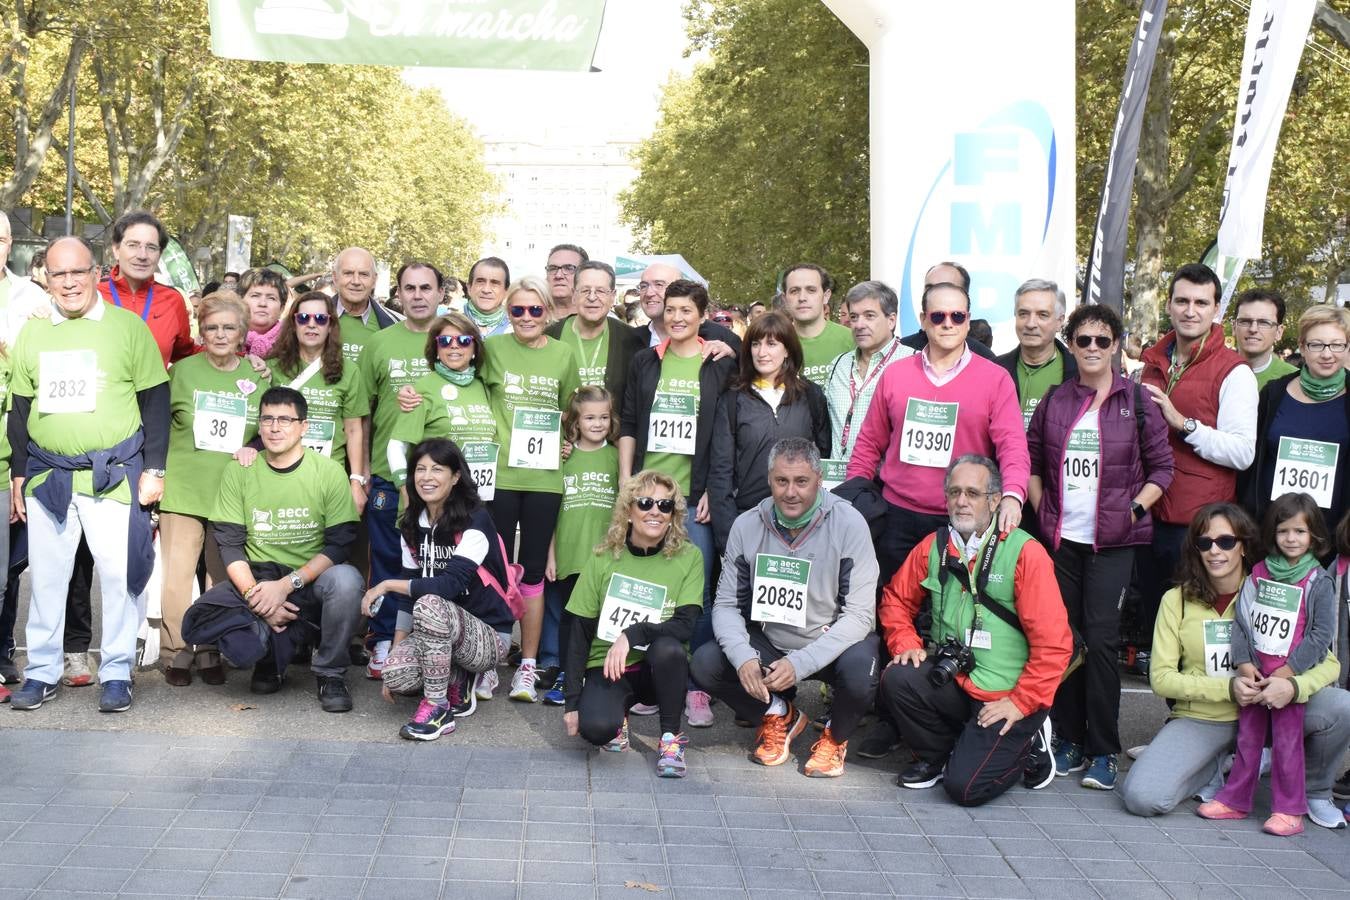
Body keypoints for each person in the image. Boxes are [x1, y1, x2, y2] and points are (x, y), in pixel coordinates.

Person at [845, 279, 1028, 759]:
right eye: (938, 316)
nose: (948, 325)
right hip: (899, 513)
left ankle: (951, 713)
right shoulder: (897, 374)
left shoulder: (993, 378)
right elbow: (868, 443)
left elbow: (1012, 444)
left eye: (958, 317)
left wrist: (1012, 494)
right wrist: (856, 493)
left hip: (963, 518)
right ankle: (890, 715)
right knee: (892, 611)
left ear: (969, 321)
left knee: (953, 620)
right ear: (922, 321)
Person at [7, 236, 169, 713]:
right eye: (59, 274)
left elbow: (155, 401)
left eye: (78, 272)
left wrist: (155, 469)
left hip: (113, 475)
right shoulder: (33, 332)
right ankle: (41, 671)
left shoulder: (127, 328)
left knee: (119, 578)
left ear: (97, 271)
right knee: (49, 580)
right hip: (49, 477)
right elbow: (19, 408)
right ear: (46, 278)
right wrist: (20, 474)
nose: (70, 282)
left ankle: (117, 671)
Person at [1119, 503, 1350, 831]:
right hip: (1207, 718)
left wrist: (1292, 686)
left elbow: (1329, 663)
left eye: (1226, 542)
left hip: (1273, 707)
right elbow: (1161, 679)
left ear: (1243, 545)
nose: (1215, 551)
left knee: (1342, 706)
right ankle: (1215, 768)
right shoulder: (1176, 599)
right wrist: (1227, 687)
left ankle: (1313, 791)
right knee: (1142, 797)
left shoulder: (1271, 586)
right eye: (1204, 543)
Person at [1025, 302, 1173, 789]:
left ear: (1115, 345)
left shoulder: (1136, 401)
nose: (1092, 349)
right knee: (1062, 641)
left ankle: (1104, 750)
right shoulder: (1055, 399)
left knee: (1104, 642)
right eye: (1083, 340)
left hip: (1113, 544)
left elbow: (1162, 469)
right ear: (1071, 344)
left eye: (1102, 340)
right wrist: (1044, 506)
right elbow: (1031, 459)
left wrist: (1130, 511)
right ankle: (1068, 738)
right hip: (1062, 540)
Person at [878, 455, 1071, 805]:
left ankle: (1031, 739)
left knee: (965, 789)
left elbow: (1055, 645)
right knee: (898, 677)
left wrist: (1021, 702)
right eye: (954, 492)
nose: (961, 501)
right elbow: (894, 600)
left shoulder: (1024, 553)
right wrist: (904, 641)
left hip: (1007, 694)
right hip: (956, 680)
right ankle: (938, 757)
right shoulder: (934, 547)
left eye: (972, 493)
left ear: (995, 501)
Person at [692, 439, 879, 776]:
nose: (791, 492)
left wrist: (801, 663)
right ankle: (779, 713)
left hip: (829, 642)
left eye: (801, 482)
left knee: (861, 671)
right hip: (773, 640)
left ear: (819, 480)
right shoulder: (747, 525)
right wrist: (742, 655)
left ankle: (835, 737)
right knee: (707, 663)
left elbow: (860, 615)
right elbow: (726, 604)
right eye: (782, 481)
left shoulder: (850, 523)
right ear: (769, 480)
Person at [187, 386, 363, 712]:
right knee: (238, 652)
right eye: (267, 419)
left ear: (304, 427)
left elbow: (339, 544)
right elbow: (230, 545)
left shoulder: (328, 472)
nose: (275, 427)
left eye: (285, 419)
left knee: (347, 580)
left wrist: (287, 586)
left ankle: (330, 672)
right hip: (261, 580)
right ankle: (272, 658)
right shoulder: (238, 471)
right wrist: (259, 597)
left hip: (308, 581)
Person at [620, 279, 737, 726]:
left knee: (699, 591)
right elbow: (630, 420)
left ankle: (696, 689)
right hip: (651, 493)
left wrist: (712, 488)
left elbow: (726, 432)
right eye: (671, 309)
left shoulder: (719, 364)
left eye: (687, 309)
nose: (677, 317)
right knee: (652, 586)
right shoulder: (645, 362)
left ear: (702, 314)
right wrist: (628, 482)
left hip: (696, 495)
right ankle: (652, 678)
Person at [1195, 493, 1335, 835]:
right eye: (1284, 530)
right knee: (1248, 740)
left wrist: (1289, 675)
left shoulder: (1319, 581)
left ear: (1314, 535)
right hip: (1256, 674)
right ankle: (1235, 799)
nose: (1291, 538)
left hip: (1287, 681)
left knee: (1288, 744)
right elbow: (1242, 621)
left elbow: (1321, 635)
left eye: (1300, 532)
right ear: (1273, 532)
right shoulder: (1259, 573)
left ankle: (1290, 810)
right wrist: (1243, 663)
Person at [1137, 263, 1257, 652]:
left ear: (1217, 309)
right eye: (1182, 301)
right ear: (1168, 306)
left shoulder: (1234, 371)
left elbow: (1242, 452)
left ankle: (1197, 713)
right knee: (1159, 635)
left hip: (1199, 527)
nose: (1191, 310)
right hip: (1147, 516)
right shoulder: (1151, 364)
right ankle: (1174, 711)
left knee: (1197, 638)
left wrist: (1183, 423)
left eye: (1201, 302)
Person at [367, 439, 518, 740]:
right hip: (438, 628)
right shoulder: (411, 524)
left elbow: (447, 585)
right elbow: (407, 601)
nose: (426, 477)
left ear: (455, 476)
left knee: (431, 602)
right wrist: (396, 652)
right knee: (396, 673)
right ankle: (456, 678)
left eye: (437, 469)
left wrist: (385, 583)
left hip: (488, 636)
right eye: (420, 469)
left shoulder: (476, 519)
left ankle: (438, 708)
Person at [158, 292, 268, 686]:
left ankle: (209, 651)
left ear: (243, 332)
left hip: (231, 495)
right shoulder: (182, 371)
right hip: (184, 488)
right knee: (178, 576)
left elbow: (272, 429)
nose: (220, 335)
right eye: (212, 328)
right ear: (201, 331)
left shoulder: (260, 375)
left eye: (228, 327)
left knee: (220, 580)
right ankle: (175, 652)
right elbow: (157, 423)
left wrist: (253, 449)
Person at [563, 469, 703, 777]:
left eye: (665, 506)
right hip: (609, 664)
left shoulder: (689, 557)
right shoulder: (602, 557)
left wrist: (633, 633)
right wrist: (572, 701)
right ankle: (618, 719)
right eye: (645, 503)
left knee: (669, 648)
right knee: (596, 730)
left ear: (673, 516)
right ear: (629, 511)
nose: (655, 511)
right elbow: (578, 631)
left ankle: (669, 739)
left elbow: (685, 626)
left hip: (658, 669)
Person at [483, 276, 581, 702]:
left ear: (548, 312)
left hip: (544, 479)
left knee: (534, 572)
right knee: (496, 570)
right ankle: (488, 658)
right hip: (501, 475)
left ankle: (528, 663)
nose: (526, 317)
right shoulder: (492, 349)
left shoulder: (563, 354)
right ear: (508, 313)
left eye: (534, 310)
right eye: (518, 310)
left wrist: (568, 439)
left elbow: (572, 411)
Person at [356, 262, 442, 677]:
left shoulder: (455, 339)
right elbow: (363, 411)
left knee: (440, 563)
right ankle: (384, 640)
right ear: (398, 294)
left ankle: (439, 646)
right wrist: (363, 471)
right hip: (390, 475)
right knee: (392, 559)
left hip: (445, 478)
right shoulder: (380, 343)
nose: (418, 295)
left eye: (427, 287)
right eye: (410, 288)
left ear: (442, 292)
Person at [708, 310, 830, 555]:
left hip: (803, 524)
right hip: (749, 520)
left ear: (787, 349)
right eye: (755, 343)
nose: (762, 352)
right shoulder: (733, 398)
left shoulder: (810, 395)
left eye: (772, 344)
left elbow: (823, 455)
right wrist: (728, 536)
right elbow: (721, 469)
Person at [1239, 304, 1349, 544]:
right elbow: (1252, 463)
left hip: (1332, 538)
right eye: (1316, 344)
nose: (1327, 354)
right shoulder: (1274, 393)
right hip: (1271, 532)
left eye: (1337, 345)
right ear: (1302, 346)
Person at [542, 386, 619, 705]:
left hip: (602, 556)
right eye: (589, 418)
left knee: (599, 618)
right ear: (575, 420)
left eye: (603, 417)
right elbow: (549, 510)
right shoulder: (564, 455)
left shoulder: (616, 456)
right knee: (569, 617)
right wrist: (550, 555)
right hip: (568, 553)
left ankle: (593, 672)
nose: (597, 423)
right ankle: (565, 673)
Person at [268, 291, 369, 491]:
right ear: (293, 324)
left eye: (321, 319)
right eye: (304, 318)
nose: (311, 325)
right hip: (278, 475)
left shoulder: (349, 371)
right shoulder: (272, 368)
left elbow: (353, 430)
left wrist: (356, 481)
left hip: (329, 476)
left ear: (330, 326)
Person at [388, 313, 496, 497]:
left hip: (478, 500)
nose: (454, 345)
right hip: (433, 503)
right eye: (445, 340)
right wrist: (406, 492)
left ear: (475, 347)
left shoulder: (483, 386)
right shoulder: (423, 388)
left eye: (463, 340)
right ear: (436, 348)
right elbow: (396, 447)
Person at [822, 279, 912, 464]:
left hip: (883, 485)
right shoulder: (839, 364)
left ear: (891, 320)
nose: (859, 324)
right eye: (854, 317)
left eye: (869, 316)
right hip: (836, 483)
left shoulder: (914, 363)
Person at [544, 260, 642, 398]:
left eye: (601, 291)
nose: (592, 297)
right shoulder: (548, 334)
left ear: (613, 296)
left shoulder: (632, 340)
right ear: (574, 295)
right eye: (585, 290)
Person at [995, 279, 1076, 430]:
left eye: (1042, 315)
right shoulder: (994, 370)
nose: (1031, 323)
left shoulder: (1080, 373)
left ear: (1059, 322)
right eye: (1023, 314)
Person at [897, 262, 998, 360]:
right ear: (923, 318)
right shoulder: (898, 353)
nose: (937, 294)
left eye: (946, 288)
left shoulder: (987, 360)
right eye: (930, 288)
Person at [631, 262, 740, 352]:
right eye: (643, 286)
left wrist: (733, 354)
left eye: (659, 284)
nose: (649, 293)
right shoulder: (630, 339)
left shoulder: (720, 337)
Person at [782, 263, 854, 387]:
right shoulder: (775, 344)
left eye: (811, 290)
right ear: (784, 299)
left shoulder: (852, 340)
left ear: (826, 296)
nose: (802, 298)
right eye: (794, 291)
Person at [332, 247, 401, 363]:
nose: (356, 281)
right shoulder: (309, 319)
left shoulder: (395, 324)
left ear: (374, 280)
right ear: (335, 277)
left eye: (364, 274)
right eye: (348, 273)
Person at [1232, 289, 1297, 391]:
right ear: (1234, 328)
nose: (1253, 329)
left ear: (1279, 332)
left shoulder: (1294, 380)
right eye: (1245, 321)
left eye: (1264, 323)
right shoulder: (1211, 371)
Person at [238, 267, 288, 358]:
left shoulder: (293, 343)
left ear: (282, 309)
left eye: (271, 298)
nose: (263, 303)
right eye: (255, 296)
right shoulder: (220, 338)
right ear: (239, 302)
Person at [464, 257, 512, 339]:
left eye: (495, 283)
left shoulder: (515, 329)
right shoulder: (450, 324)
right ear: (469, 288)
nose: (486, 290)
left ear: (506, 292)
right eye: (480, 281)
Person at [544, 243, 587, 321]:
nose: (558, 275)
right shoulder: (527, 315)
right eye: (553, 268)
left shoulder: (603, 321)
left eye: (569, 268)